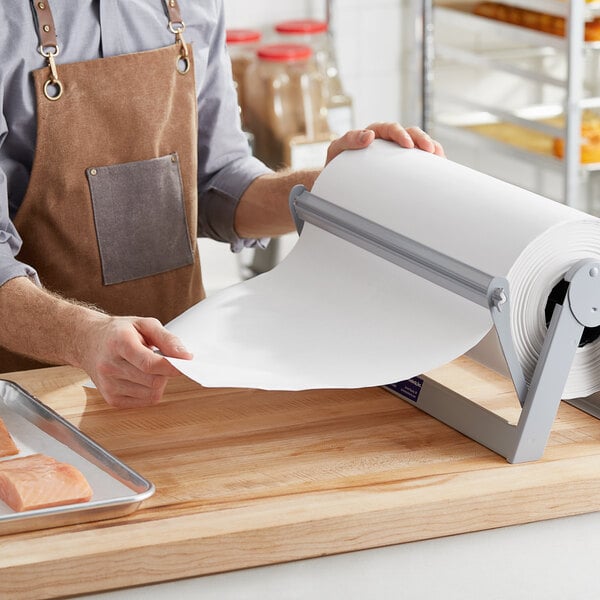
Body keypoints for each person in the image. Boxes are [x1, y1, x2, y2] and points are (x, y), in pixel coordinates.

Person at [0, 0, 444, 408]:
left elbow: (218, 183)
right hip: (27, 396)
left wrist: (336, 187)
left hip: (175, 374)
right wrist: (85, 339)